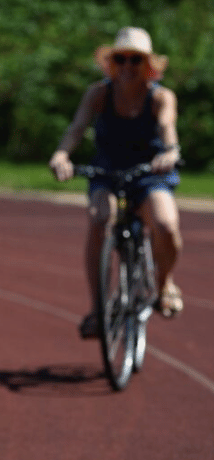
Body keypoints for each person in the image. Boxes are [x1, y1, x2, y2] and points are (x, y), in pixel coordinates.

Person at [49, 26, 183, 338]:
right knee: (99, 219)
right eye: (120, 59)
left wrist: (171, 151)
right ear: (112, 63)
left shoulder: (160, 97)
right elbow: (77, 127)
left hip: (149, 173)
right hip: (107, 173)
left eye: (135, 60)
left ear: (149, 65)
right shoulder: (99, 93)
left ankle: (164, 285)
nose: (126, 67)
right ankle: (98, 309)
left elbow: (167, 127)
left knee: (165, 225)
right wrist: (61, 155)